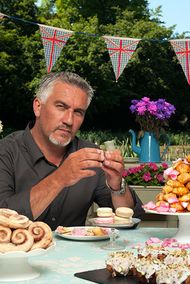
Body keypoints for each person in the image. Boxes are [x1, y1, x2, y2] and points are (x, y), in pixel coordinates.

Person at [0, 71, 144, 229]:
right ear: (38, 107)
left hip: (75, 254)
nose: (69, 120)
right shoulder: (6, 152)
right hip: (18, 252)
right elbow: (2, 216)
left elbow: (130, 219)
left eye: (78, 112)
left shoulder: (90, 155)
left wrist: (117, 186)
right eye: (61, 106)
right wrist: (59, 178)